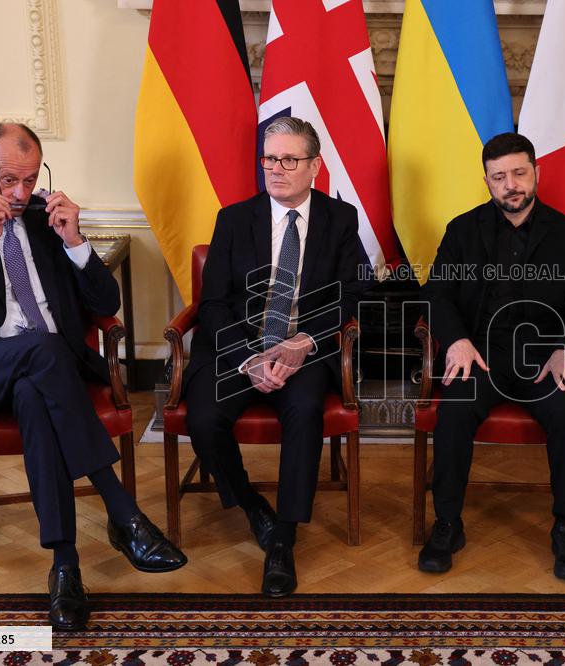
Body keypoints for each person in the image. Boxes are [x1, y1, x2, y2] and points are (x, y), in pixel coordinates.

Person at [0, 123, 187, 631]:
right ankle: (123, 512)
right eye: (9, 180)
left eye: (30, 179)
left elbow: (107, 305)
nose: (20, 194)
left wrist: (76, 241)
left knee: (37, 393)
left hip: (44, 374)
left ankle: (66, 568)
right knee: (40, 352)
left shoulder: (47, 217)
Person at [183, 116, 371, 598]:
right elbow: (214, 302)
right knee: (203, 419)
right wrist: (247, 358)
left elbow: (356, 292)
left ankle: (283, 538)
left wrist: (307, 339)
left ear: (315, 166)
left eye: (289, 159)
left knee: (306, 411)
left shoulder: (340, 219)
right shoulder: (234, 218)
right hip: (237, 348)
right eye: (269, 158)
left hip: (302, 349)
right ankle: (252, 507)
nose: (276, 169)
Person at [418, 132, 565, 580]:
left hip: (542, 357)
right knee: (455, 411)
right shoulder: (462, 230)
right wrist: (457, 340)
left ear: (537, 173)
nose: (511, 184)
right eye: (499, 177)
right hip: (480, 354)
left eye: (519, 173)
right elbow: (437, 294)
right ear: (487, 182)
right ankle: (447, 523)